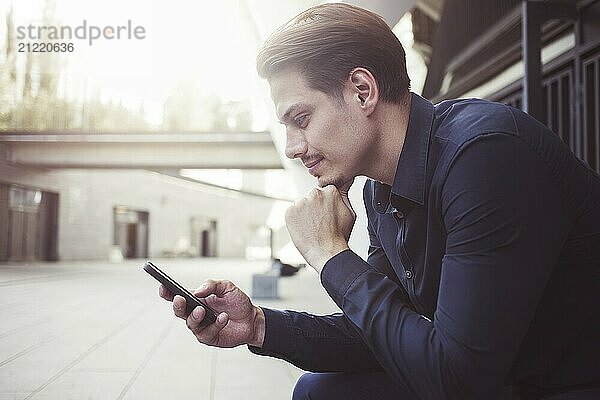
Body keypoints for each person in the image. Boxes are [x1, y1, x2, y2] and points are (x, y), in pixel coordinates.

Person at [158, 3, 600, 399]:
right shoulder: (378, 189)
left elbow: (459, 381)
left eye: (302, 118)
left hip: (566, 383)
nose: (292, 147)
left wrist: (330, 255)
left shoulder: (486, 155)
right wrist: (259, 325)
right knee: (319, 391)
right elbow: (379, 334)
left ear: (362, 91)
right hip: (500, 378)